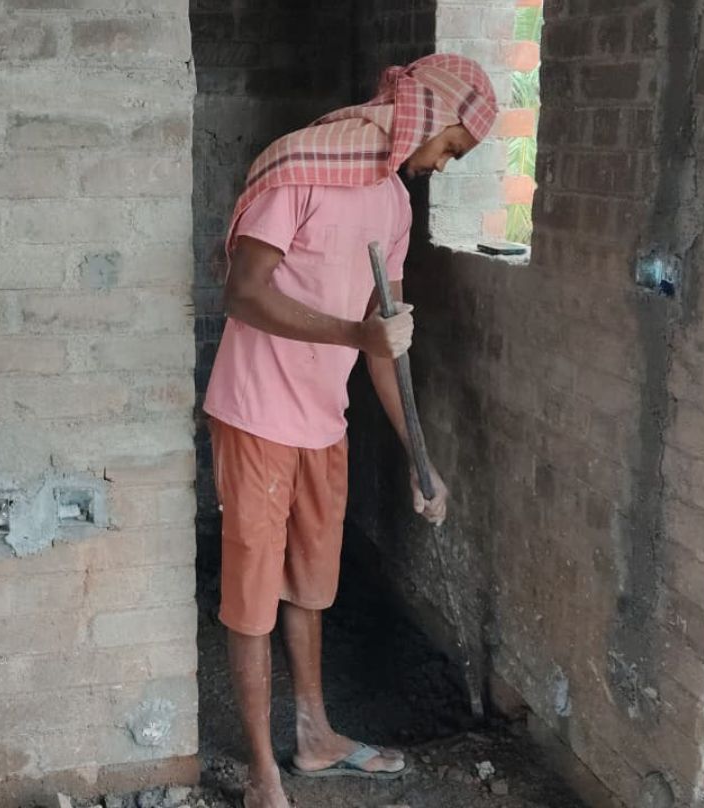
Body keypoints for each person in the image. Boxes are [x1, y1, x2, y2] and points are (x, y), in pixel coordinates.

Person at [202, 53, 498, 808]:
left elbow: (383, 342)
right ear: (428, 114)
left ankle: (315, 737)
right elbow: (244, 293)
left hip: (321, 421)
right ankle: (263, 773)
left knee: (308, 586)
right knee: (252, 597)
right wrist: (355, 333)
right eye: (452, 148)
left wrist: (420, 460)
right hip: (255, 413)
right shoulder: (300, 166)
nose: (443, 165)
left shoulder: (393, 205)